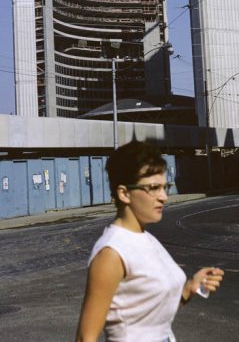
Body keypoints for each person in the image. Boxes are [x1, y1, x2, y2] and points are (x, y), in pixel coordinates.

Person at [75, 140, 224, 342]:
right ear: (124, 193)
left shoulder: (146, 238)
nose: (164, 197)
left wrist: (191, 287)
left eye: (165, 187)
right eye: (154, 188)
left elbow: (149, 315)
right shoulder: (111, 252)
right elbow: (86, 337)